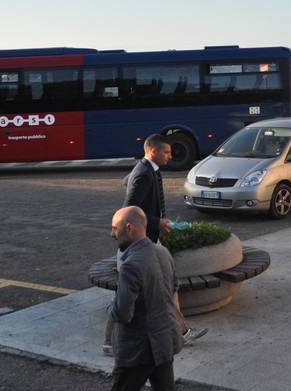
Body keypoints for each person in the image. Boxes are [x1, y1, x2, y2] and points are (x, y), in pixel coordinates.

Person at [122, 135, 207, 345]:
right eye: (167, 152)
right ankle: (111, 340)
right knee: (159, 287)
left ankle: (182, 332)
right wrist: (156, 222)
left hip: (151, 239)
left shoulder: (147, 169)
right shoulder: (143, 174)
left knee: (168, 285)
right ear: (153, 152)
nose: (171, 156)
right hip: (144, 241)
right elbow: (129, 208)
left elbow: (127, 182)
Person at [107, 206, 183, 391]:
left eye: (115, 228)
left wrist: (109, 308)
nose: (112, 234)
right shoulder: (163, 253)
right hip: (164, 342)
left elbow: (123, 314)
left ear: (130, 228)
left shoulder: (131, 265)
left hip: (138, 350)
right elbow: (173, 288)